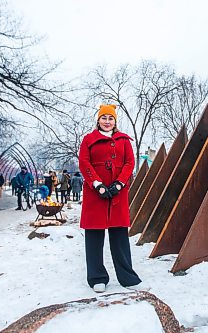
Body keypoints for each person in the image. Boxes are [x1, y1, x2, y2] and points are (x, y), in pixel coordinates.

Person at [78, 104, 143, 293]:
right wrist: (97, 184)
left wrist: (119, 183)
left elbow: (129, 163)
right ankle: (97, 277)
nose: (107, 122)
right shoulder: (88, 139)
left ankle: (127, 277)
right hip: (94, 193)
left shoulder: (124, 140)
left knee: (119, 235)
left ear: (115, 121)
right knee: (94, 235)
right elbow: (84, 162)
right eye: (104, 118)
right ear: (98, 120)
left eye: (111, 118)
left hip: (117, 193)